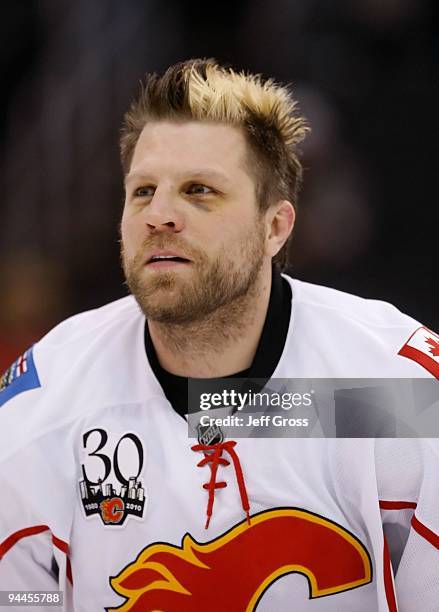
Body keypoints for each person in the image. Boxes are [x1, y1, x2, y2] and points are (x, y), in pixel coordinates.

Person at [0, 59, 438, 612]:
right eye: (142, 191)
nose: (159, 214)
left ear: (275, 227)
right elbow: (16, 598)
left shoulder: (395, 388)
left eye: (199, 190)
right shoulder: (46, 400)